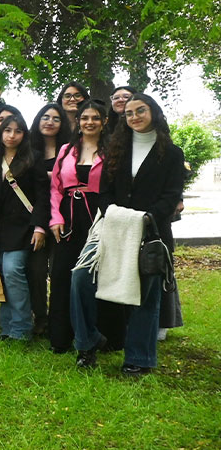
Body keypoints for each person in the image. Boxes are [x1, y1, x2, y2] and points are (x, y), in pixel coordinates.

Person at [71, 94, 184, 376]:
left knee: (146, 294)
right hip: (112, 227)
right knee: (81, 278)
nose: (134, 117)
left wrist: (145, 219)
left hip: (152, 231)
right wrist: (114, 213)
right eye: (129, 113)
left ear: (154, 112)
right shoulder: (116, 149)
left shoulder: (172, 153)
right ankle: (87, 342)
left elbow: (170, 197)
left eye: (140, 110)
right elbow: (104, 191)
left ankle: (139, 358)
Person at [0, 114, 50, 341]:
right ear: (1, 132)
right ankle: (7, 327)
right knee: (1, 274)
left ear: (24, 134)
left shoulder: (33, 158)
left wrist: (39, 226)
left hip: (23, 228)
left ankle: (21, 327)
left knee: (13, 271)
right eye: (8, 130)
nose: (12, 135)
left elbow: (42, 196)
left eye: (18, 131)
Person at [48, 100, 108, 354]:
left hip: (99, 216)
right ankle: (61, 337)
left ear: (104, 122)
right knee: (62, 274)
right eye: (85, 118)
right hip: (68, 216)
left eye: (95, 118)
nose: (89, 122)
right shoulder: (66, 150)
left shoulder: (112, 151)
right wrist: (55, 218)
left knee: (95, 275)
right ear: (79, 121)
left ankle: (101, 334)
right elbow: (55, 187)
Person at [27, 103, 73, 335]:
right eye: (45, 117)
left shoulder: (70, 150)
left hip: (63, 216)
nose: (50, 122)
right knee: (36, 271)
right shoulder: (27, 149)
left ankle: (60, 319)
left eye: (56, 118)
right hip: (35, 217)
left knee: (60, 271)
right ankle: (40, 317)